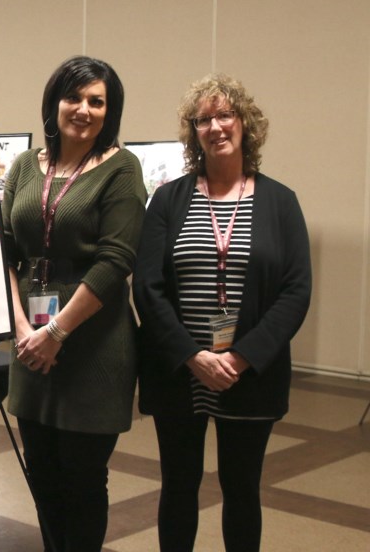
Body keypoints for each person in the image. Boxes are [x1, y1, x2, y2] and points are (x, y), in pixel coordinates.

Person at [132, 74, 311, 552]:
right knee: (178, 488)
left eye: (225, 115)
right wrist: (193, 356)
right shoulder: (169, 199)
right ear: (194, 132)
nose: (215, 126)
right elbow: (148, 288)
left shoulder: (280, 202)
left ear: (245, 124)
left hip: (248, 375)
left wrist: (242, 357)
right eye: (203, 119)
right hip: (179, 372)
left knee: (242, 490)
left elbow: (296, 291)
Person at [2, 55, 146, 551]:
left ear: (110, 111)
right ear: (54, 102)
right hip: (29, 343)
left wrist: (56, 332)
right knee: (42, 474)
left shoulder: (122, 168)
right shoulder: (24, 166)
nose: (83, 109)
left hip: (94, 346)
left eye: (96, 101)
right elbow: (4, 251)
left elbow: (115, 260)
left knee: (83, 479)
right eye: (74, 97)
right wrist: (22, 327)